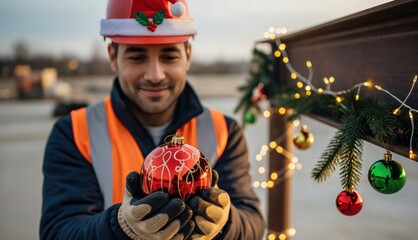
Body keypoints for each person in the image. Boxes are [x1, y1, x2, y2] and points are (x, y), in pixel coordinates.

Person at [40, 0, 265, 239]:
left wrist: (224, 222)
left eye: (169, 57)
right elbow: (58, 231)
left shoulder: (224, 130)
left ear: (187, 56)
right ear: (112, 56)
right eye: (137, 57)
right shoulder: (74, 132)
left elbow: (253, 224)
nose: (155, 75)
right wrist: (121, 227)